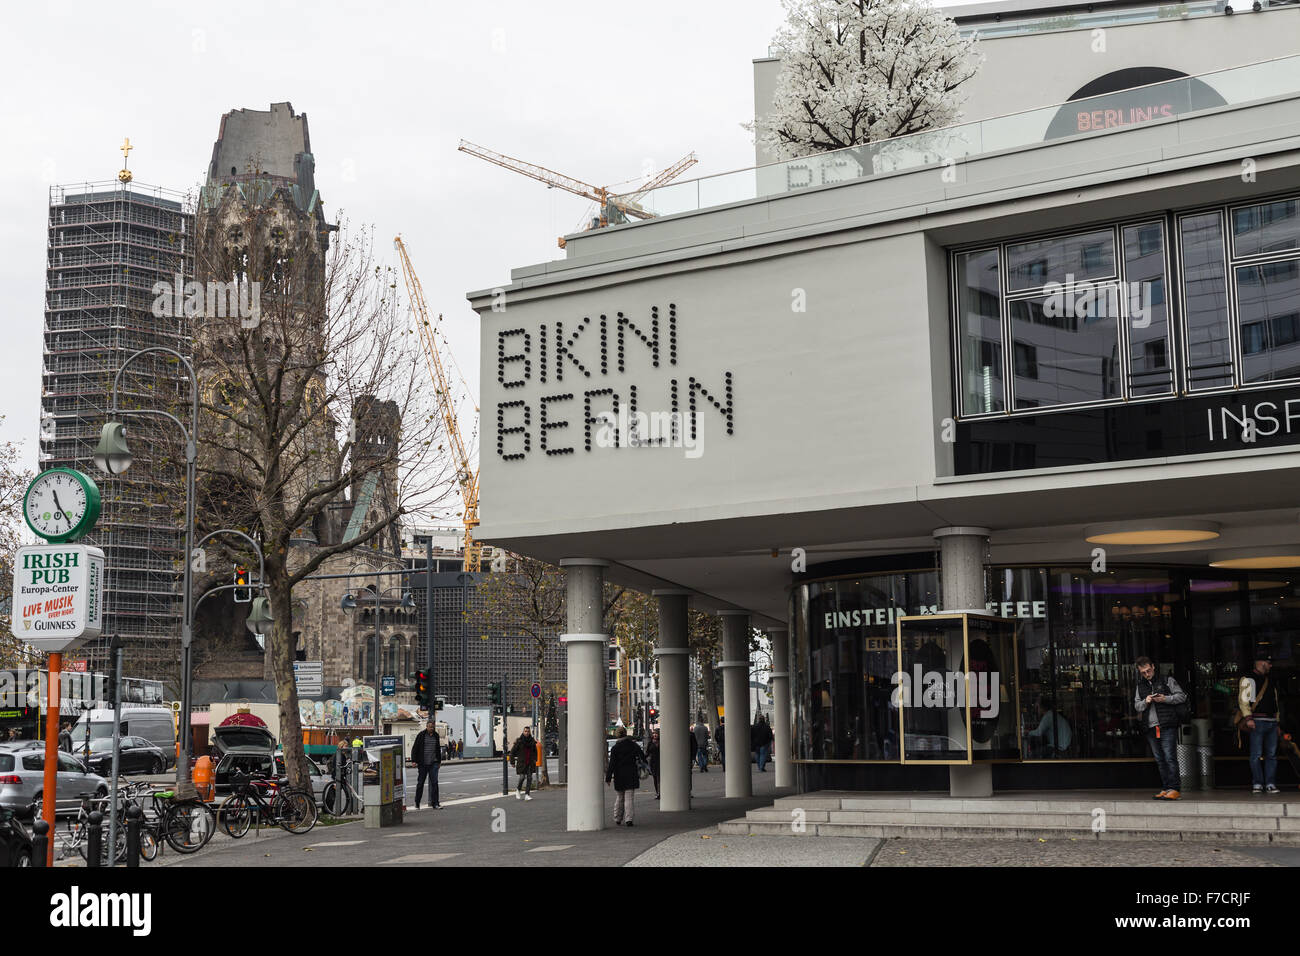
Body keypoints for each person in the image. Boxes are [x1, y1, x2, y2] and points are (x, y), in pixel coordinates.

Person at [1134, 657, 1187, 800]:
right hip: (1151, 727)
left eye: (1148, 671)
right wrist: (1146, 701)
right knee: (1159, 759)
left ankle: (1174, 788)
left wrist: (1165, 699)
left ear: (1153, 667)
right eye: (1143, 673)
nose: (1146, 674)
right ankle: (1166, 788)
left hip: (1167, 724)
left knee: (1170, 757)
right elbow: (1137, 705)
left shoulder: (1166, 680)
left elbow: (1182, 696)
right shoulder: (1140, 686)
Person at [1239, 654, 1281, 794]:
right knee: (1256, 754)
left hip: (1271, 722)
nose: (1270, 666)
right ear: (1262, 663)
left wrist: (1277, 722)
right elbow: (1243, 700)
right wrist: (1248, 718)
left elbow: (1275, 703)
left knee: (1271, 754)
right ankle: (1258, 782)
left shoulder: (1270, 680)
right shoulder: (1248, 678)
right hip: (1256, 720)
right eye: (1269, 663)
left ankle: (1269, 783)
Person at [605, 725, 646, 826]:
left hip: (619, 775)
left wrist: (608, 777)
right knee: (629, 798)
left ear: (617, 735)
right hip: (631, 774)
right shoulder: (633, 745)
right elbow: (642, 757)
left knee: (619, 797)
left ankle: (617, 817)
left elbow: (612, 764)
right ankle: (629, 819)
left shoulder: (615, 748)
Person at [410, 720, 442, 809]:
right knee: (420, 783)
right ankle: (417, 802)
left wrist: (439, 761)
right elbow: (415, 748)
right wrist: (413, 761)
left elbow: (438, 749)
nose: (431, 728)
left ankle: (435, 803)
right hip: (423, 763)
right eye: (430, 727)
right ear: (426, 727)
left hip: (433, 763)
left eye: (433, 727)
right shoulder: (421, 735)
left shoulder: (436, 735)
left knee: (435, 783)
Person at [510, 726, 538, 800]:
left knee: (529, 778)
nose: (527, 733)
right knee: (522, 777)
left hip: (530, 763)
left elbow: (535, 751)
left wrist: (535, 759)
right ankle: (518, 790)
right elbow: (512, 752)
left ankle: (527, 795)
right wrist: (512, 762)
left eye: (528, 731)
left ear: (530, 732)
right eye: (525, 731)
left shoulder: (532, 741)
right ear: (523, 732)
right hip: (522, 763)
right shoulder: (519, 741)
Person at [645, 729, 661, 798]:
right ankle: (657, 792)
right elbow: (647, 753)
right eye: (654, 733)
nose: (655, 735)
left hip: (661, 762)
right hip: (653, 762)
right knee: (655, 778)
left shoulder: (662, 741)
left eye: (656, 733)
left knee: (660, 778)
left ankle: (661, 792)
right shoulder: (650, 743)